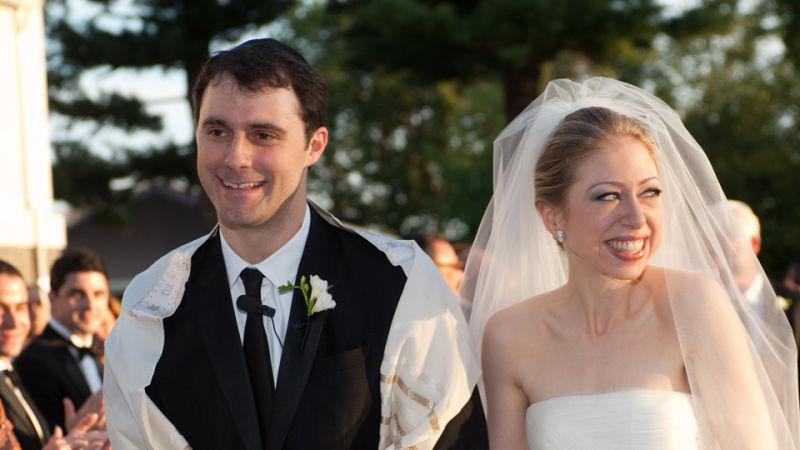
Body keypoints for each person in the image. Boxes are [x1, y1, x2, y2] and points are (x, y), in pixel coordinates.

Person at [104, 38, 486, 450]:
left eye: (263, 134)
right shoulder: (152, 306)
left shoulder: (399, 284)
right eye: (217, 131)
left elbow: (453, 438)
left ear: (314, 146)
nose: (236, 157)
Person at [462, 78, 799, 449]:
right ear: (552, 216)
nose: (637, 217)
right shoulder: (508, 336)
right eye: (607, 196)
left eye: (650, 192)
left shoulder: (692, 305)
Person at [0, 260, 109, 450]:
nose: (14, 321)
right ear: (52, 298)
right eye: (0, 308)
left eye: (20, 307)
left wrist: (75, 434)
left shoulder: (10, 373)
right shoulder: (33, 360)